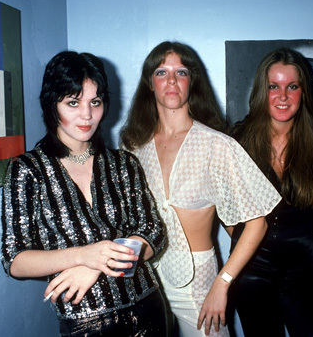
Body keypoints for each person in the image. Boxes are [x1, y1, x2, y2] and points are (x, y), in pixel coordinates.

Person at [120, 41, 281, 337]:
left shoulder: (217, 145)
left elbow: (257, 223)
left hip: (199, 286)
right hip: (144, 281)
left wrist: (223, 283)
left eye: (180, 72)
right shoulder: (132, 146)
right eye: (161, 72)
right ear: (149, 83)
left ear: (192, 81)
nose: (171, 80)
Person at [1, 51, 167, 337]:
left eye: (95, 102)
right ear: (52, 104)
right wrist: (84, 255)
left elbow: (154, 233)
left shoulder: (123, 163)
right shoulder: (27, 170)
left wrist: (98, 266)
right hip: (84, 323)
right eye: (73, 103)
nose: (87, 115)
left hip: (148, 308)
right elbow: (14, 259)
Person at [229, 48, 313, 337]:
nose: (283, 96)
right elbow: (223, 204)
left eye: (292, 86)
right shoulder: (237, 139)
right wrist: (244, 238)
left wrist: (292, 234)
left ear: (303, 91)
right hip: (251, 266)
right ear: (260, 91)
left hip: (304, 265)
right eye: (273, 87)